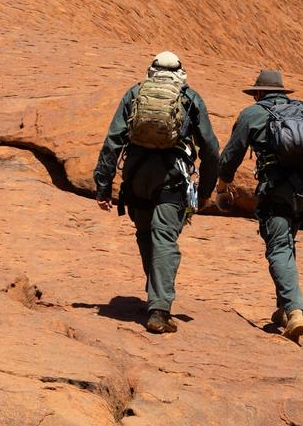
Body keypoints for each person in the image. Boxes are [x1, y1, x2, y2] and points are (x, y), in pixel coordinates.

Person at [93, 52, 219, 334]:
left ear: (151, 71)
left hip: (136, 176)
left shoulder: (135, 93)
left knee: (145, 233)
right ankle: (159, 309)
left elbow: (113, 141)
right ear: (180, 73)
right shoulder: (190, 98)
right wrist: (206, 190)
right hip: (172, 177)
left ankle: (156, 295)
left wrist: (103, 185)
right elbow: (210, 149)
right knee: (164, 237)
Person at [217, 69, 303, 343]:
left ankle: (295, 310)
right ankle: (284, 308)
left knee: (278, 247)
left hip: (275, 190)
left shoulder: (252, 114)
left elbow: (232, 154)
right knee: (287, 243)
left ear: (258, 92)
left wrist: (222, 182)